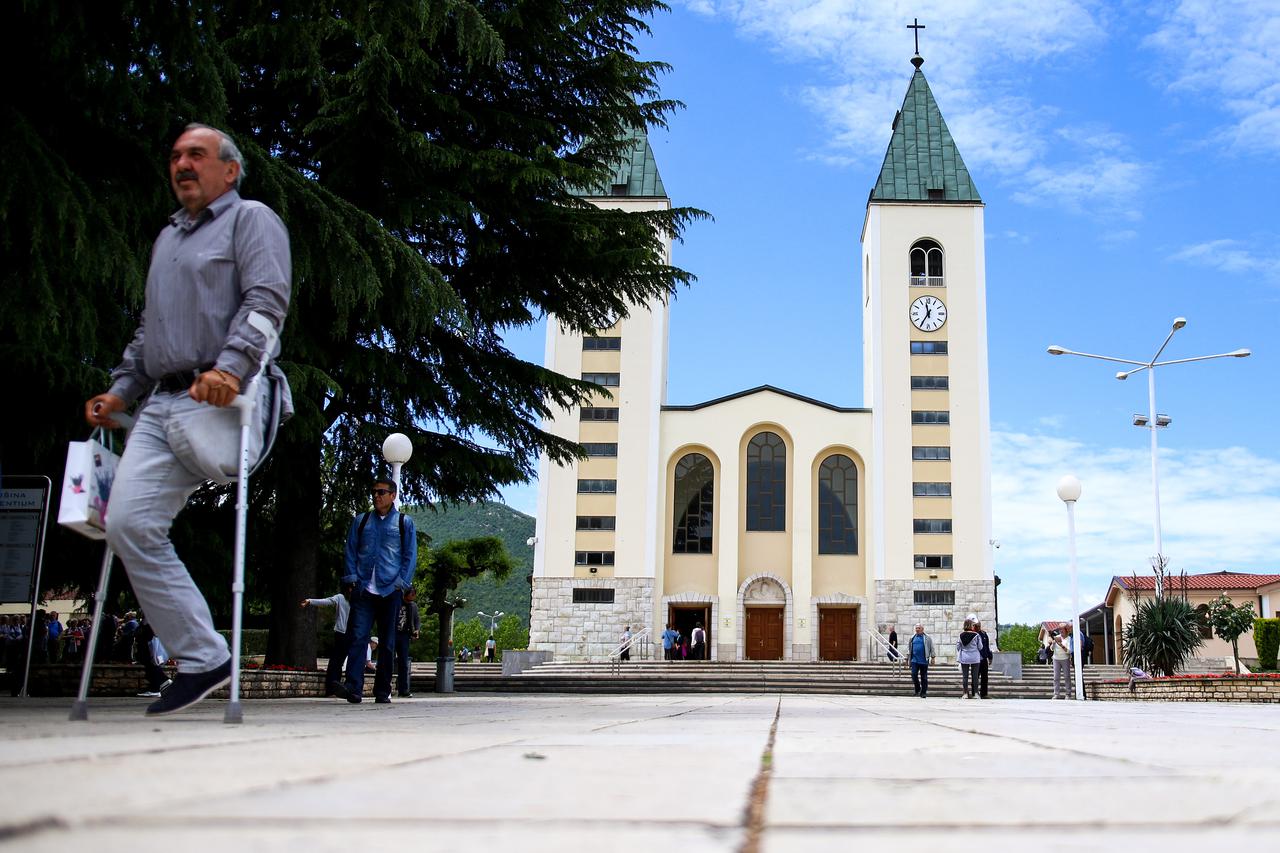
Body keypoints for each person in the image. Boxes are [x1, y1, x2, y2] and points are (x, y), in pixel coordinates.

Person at [84, 123, 291, 717]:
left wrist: (232, 367)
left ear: (229, 169)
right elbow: (151, 328)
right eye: (175, 155)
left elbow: (266, 300)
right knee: (126, 524)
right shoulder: (167, 240)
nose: (182, 164)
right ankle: (204, 657)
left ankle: (204, 657)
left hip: (222, 395)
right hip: (160, 403)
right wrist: (122, 391)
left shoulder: (251, 220)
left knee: (147, 516)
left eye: (196, 155)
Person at [338, 479, 418, 704]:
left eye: (381, 492)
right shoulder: (361, 521)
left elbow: (410, 555)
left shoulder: (404, 523)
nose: (376, 496)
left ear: (393, 495)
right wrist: (352, 578)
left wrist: (400, 583)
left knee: (388, 642)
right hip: (364, 589)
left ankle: (382, 690)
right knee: (357, 637)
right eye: (374, 492)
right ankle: (353, 688)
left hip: (389, 589)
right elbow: (351, 550)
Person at [301, 587, 354, 697]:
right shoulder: (343, 598)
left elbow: (327, 601)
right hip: (345, 633)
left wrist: (310, 601)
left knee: (337, 661)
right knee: (337, 661)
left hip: (344, 633)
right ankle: (333, 688)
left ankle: (336, 688)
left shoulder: (346, 598)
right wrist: (311, 601)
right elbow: (327, 601)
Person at [394, 587, 420, 697]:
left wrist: (416, 630)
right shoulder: (396, 603)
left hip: (405, 634)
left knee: (403, 663)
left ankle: (403, 689)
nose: (410, 601)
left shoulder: (413, 606)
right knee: (388, 659)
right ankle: (386, 687)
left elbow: (417, 620)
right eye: (408, 599)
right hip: (393, 632)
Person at [956, 619, 982, 699]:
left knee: (965, 676)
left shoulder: (961, 635)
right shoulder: (976, 635)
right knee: (975, 676)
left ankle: (965, 694)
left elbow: (958, 647)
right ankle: (976, 694)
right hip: (975, 657)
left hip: (964, 657)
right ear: (971, 626)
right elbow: (980, 647)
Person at [908, 624, 935, 698]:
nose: (917, 629)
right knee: (913, 675)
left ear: (922, 629)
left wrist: (933, 657)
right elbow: (909, 649)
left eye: (919, 628)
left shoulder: (927, 638)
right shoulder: (912, 637)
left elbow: (932, 648)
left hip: (924, 660)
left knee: (924, 677)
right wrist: (907, 659)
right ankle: (917, 689)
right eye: (916, 628)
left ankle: (923, 692)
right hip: (914, 660)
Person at [1050, 629, 1071, 699]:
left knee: (1067, 677)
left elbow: (1068, 651)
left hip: (1065, 659)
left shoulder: (1069, 638)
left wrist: (1061, 645)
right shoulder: (1057, 637)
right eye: (1060, 630)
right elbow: (1051, 649)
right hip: (1056, 659)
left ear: (1066, 631)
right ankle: (1056, 694)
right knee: (1056, 677)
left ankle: (1068, 694)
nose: (1061, 632)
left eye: (1062, 631)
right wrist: (1053, 644)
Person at [975, 620, 993, 699]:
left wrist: (990, 657)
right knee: (975, 677)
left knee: (984, 677)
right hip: (976, 659)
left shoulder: (984, 634)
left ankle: (984, 694)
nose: (978, 627)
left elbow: (987, 647)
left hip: (984, 658)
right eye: (976, 625)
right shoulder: (973, 635)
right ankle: (974, 693)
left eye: (979, 625)